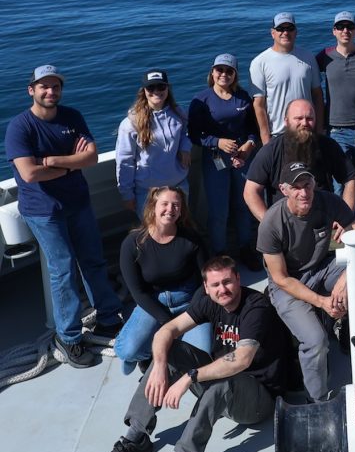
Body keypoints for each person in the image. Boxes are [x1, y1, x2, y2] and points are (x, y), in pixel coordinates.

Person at [92, 256, 291, 452]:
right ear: (206, 288)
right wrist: (160, 365)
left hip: (258, 398)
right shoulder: (208, 302)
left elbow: (242, 359)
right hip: (223, 387)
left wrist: (191, 376)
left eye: (228, 282)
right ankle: (136, 437)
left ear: (238, 279)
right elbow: (168, 330)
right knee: (171, 351)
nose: (223, 289)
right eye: (215, 285)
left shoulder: (256, 307)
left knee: (222, 382)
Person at [5, 65, 124, 368]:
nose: (50, 92)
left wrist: (57, 162)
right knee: (63, 270)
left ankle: (109, 317)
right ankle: (68, 337)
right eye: (44, 86)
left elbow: (92, 157)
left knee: (94, 260)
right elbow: (29, 174)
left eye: (55, 86)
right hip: (44, 212)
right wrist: (74, 161)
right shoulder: (21, 127)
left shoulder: (72, 116)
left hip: (79, 203)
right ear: (31, 90)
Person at [257, 163, 355, 402]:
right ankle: (318, 402)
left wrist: (346, 277)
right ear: (284, 189)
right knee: (316, 342)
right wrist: (322, 302)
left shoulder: (327, 201)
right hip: (290, 283)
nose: (304, 193)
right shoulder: (271, 223)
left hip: (324, 267)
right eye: (297, 187)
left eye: (307, 185)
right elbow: (280, 278)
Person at [116, 187, 212, 374]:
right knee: (127, 352)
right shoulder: (132, 243)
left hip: (189, 300)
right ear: (153, 207)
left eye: (176, 205)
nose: (171, 209)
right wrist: (169, 324)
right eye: (165, 204)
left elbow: (205, 281)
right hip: (153, 302)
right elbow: (138, 292)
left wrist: (192, 313)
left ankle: (165, 349)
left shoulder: (191, 239)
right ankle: (147, 353)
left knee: (201, 357)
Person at [187, 54, 259, 264]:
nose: (224, 74)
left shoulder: (243, 97)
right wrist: (216, 142)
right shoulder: (201, 100)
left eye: (229, 71)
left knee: (244, 204)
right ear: (212, 72)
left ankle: (246, 247)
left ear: (235, 74)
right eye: (219, 70)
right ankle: (219, 253)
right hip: (216, 160)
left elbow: (252, 129)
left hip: (243, 159)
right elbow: (194, 134)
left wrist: (247, 146)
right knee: (219, 209)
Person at [243, 98, 355, 222]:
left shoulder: (327, 146)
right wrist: (269, 223)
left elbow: (350, 179)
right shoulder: (271, 151)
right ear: (286, 121)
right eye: (298, 118)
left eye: (309, 118)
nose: (304, 123)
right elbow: (250, 191)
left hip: (324, 218)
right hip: (286, 222)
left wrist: (345, 217)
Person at [316, 11, 355, 218]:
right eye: (341, 27)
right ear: (334, 31)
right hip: (336, 130)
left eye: (349, 27)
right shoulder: (323, 57)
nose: (345, 31)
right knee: (340, 181)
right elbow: (311, 87)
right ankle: (342, 224)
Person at [115, 70, 191, 220]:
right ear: (144, 91)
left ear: (168, 89)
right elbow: (124, 161)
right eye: (151, 88)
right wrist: (127, 194)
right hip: (149, 191)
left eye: (161, 87)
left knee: (181, 229)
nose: (156, 91)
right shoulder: (131, 123)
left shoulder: (178, 113)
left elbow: (186, 133)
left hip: (178, 185)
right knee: (153, 234)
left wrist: (185, 147)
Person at [250, 11, 323, 143]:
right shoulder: (260, 62)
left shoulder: (308, 57)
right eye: (280, 29)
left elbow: (317, 95)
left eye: (289, 28)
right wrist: (266, 139)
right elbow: (259, 105)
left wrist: (319, 131)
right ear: (272, 33)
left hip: (307, 131)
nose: (285, 32)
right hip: (278, 135)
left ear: (296, 32)